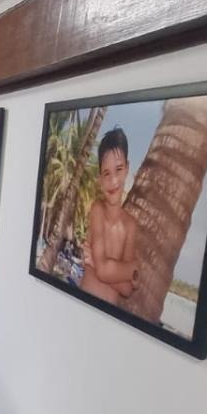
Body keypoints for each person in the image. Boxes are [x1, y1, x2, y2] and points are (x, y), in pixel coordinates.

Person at [81, 126, 140, 305]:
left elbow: (128, 290)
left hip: (107, 315)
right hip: (83, 304)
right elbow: (105, 272)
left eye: (119, 169)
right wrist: (132, 269)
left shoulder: (130, 225)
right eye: (106, 173)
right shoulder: (97, 210)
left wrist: (96, 264)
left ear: (127, 168)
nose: (113, 180)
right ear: (100, 178)